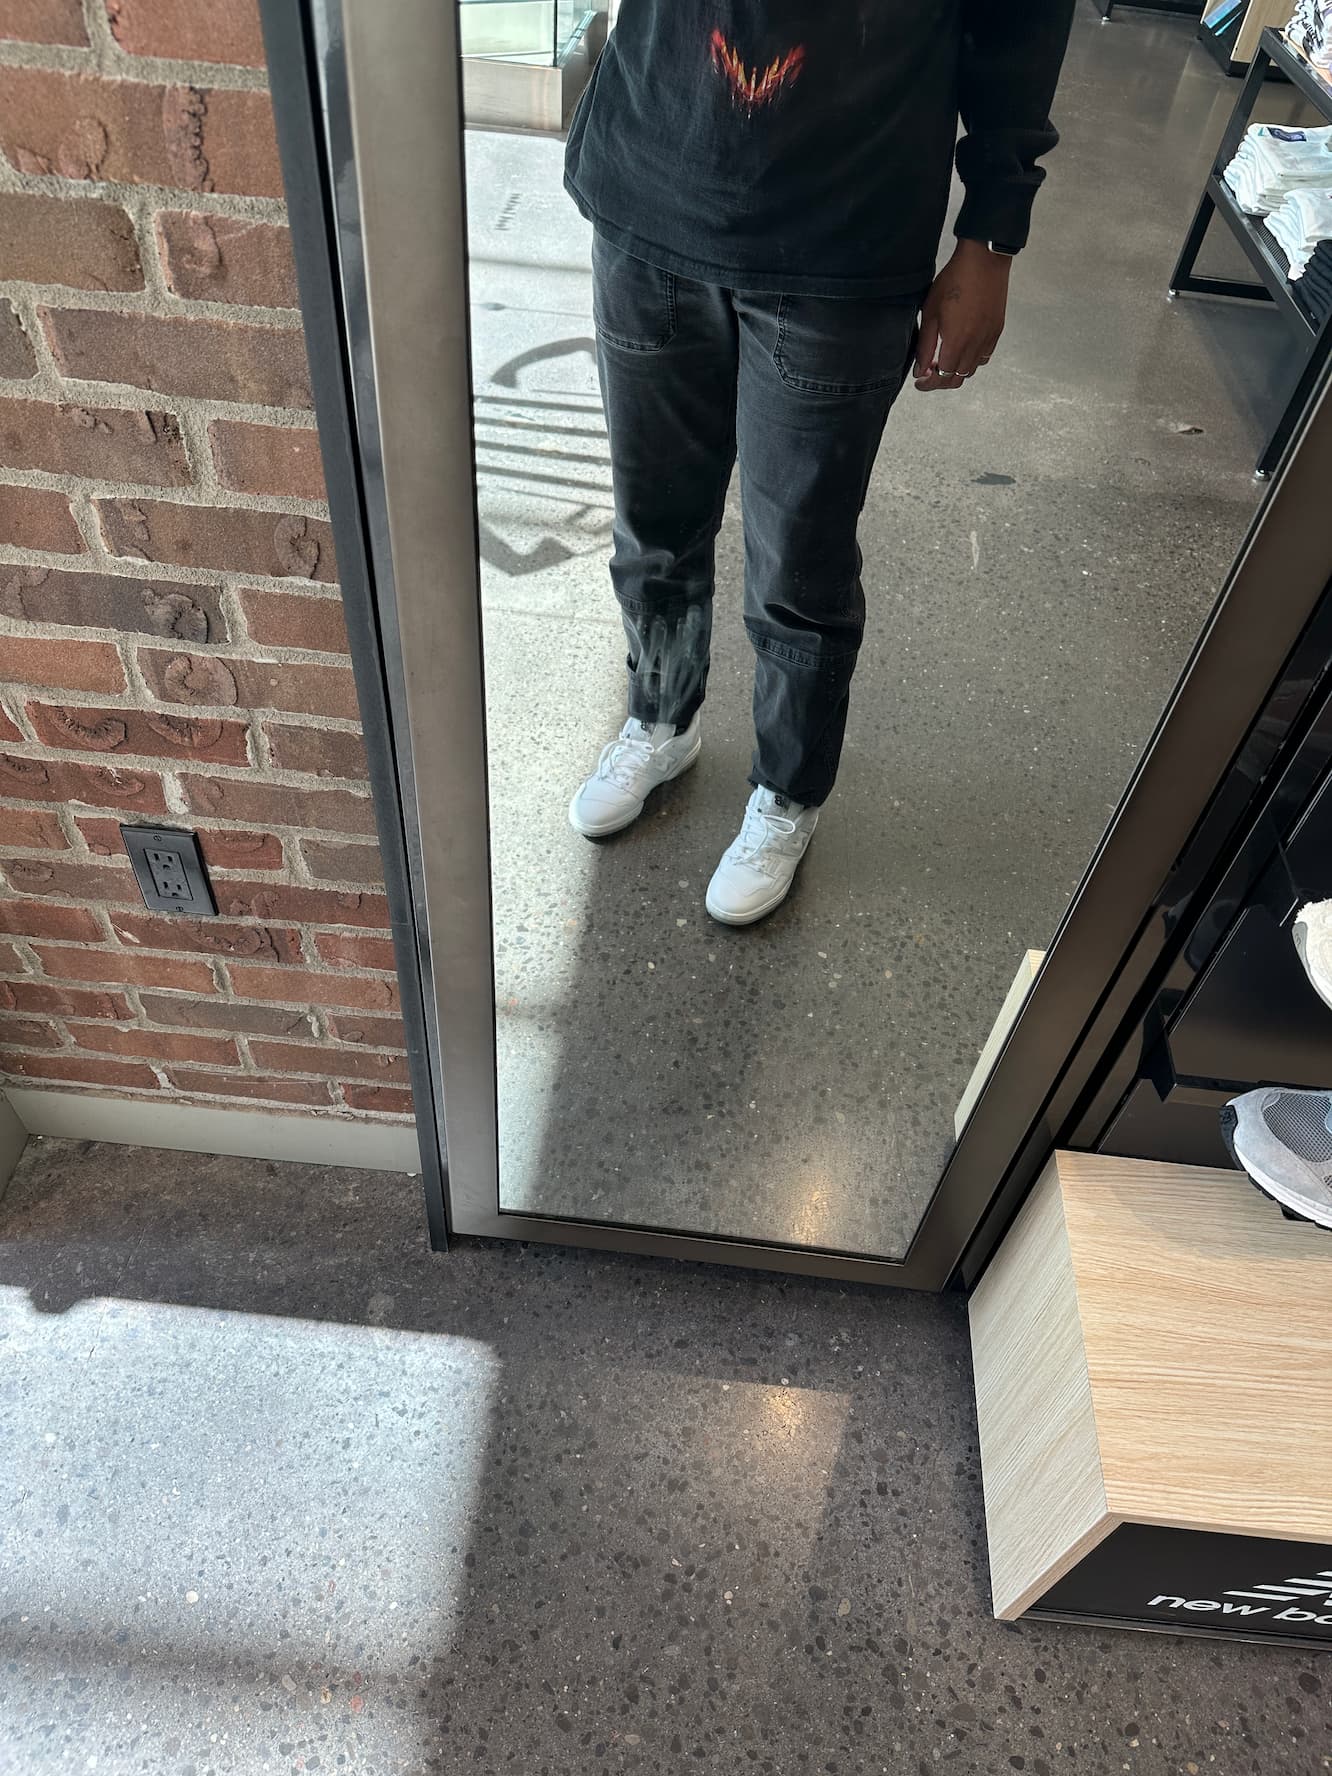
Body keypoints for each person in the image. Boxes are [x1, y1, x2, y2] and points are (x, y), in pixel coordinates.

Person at [565, 1, 1075, 925]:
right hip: (650, 183)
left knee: (800, 562)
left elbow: (1023, 22)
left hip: (844, 231)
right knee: (654, 525)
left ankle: (788, 790)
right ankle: (661, 714)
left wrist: (992, 235)